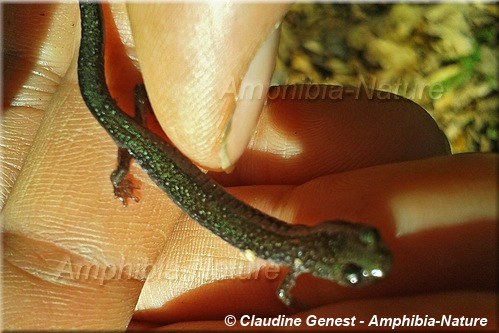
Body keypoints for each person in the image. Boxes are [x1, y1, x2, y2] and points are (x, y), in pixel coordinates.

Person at [2, 3, 496, 331]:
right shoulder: (291, 254)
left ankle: (128, 102)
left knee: (128, 124)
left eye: (353, 264)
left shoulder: (297, 246)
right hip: (163, 162)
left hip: (167, 163)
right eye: (355, 263)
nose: (370, 255)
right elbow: (285, 282)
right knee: (125, 124)